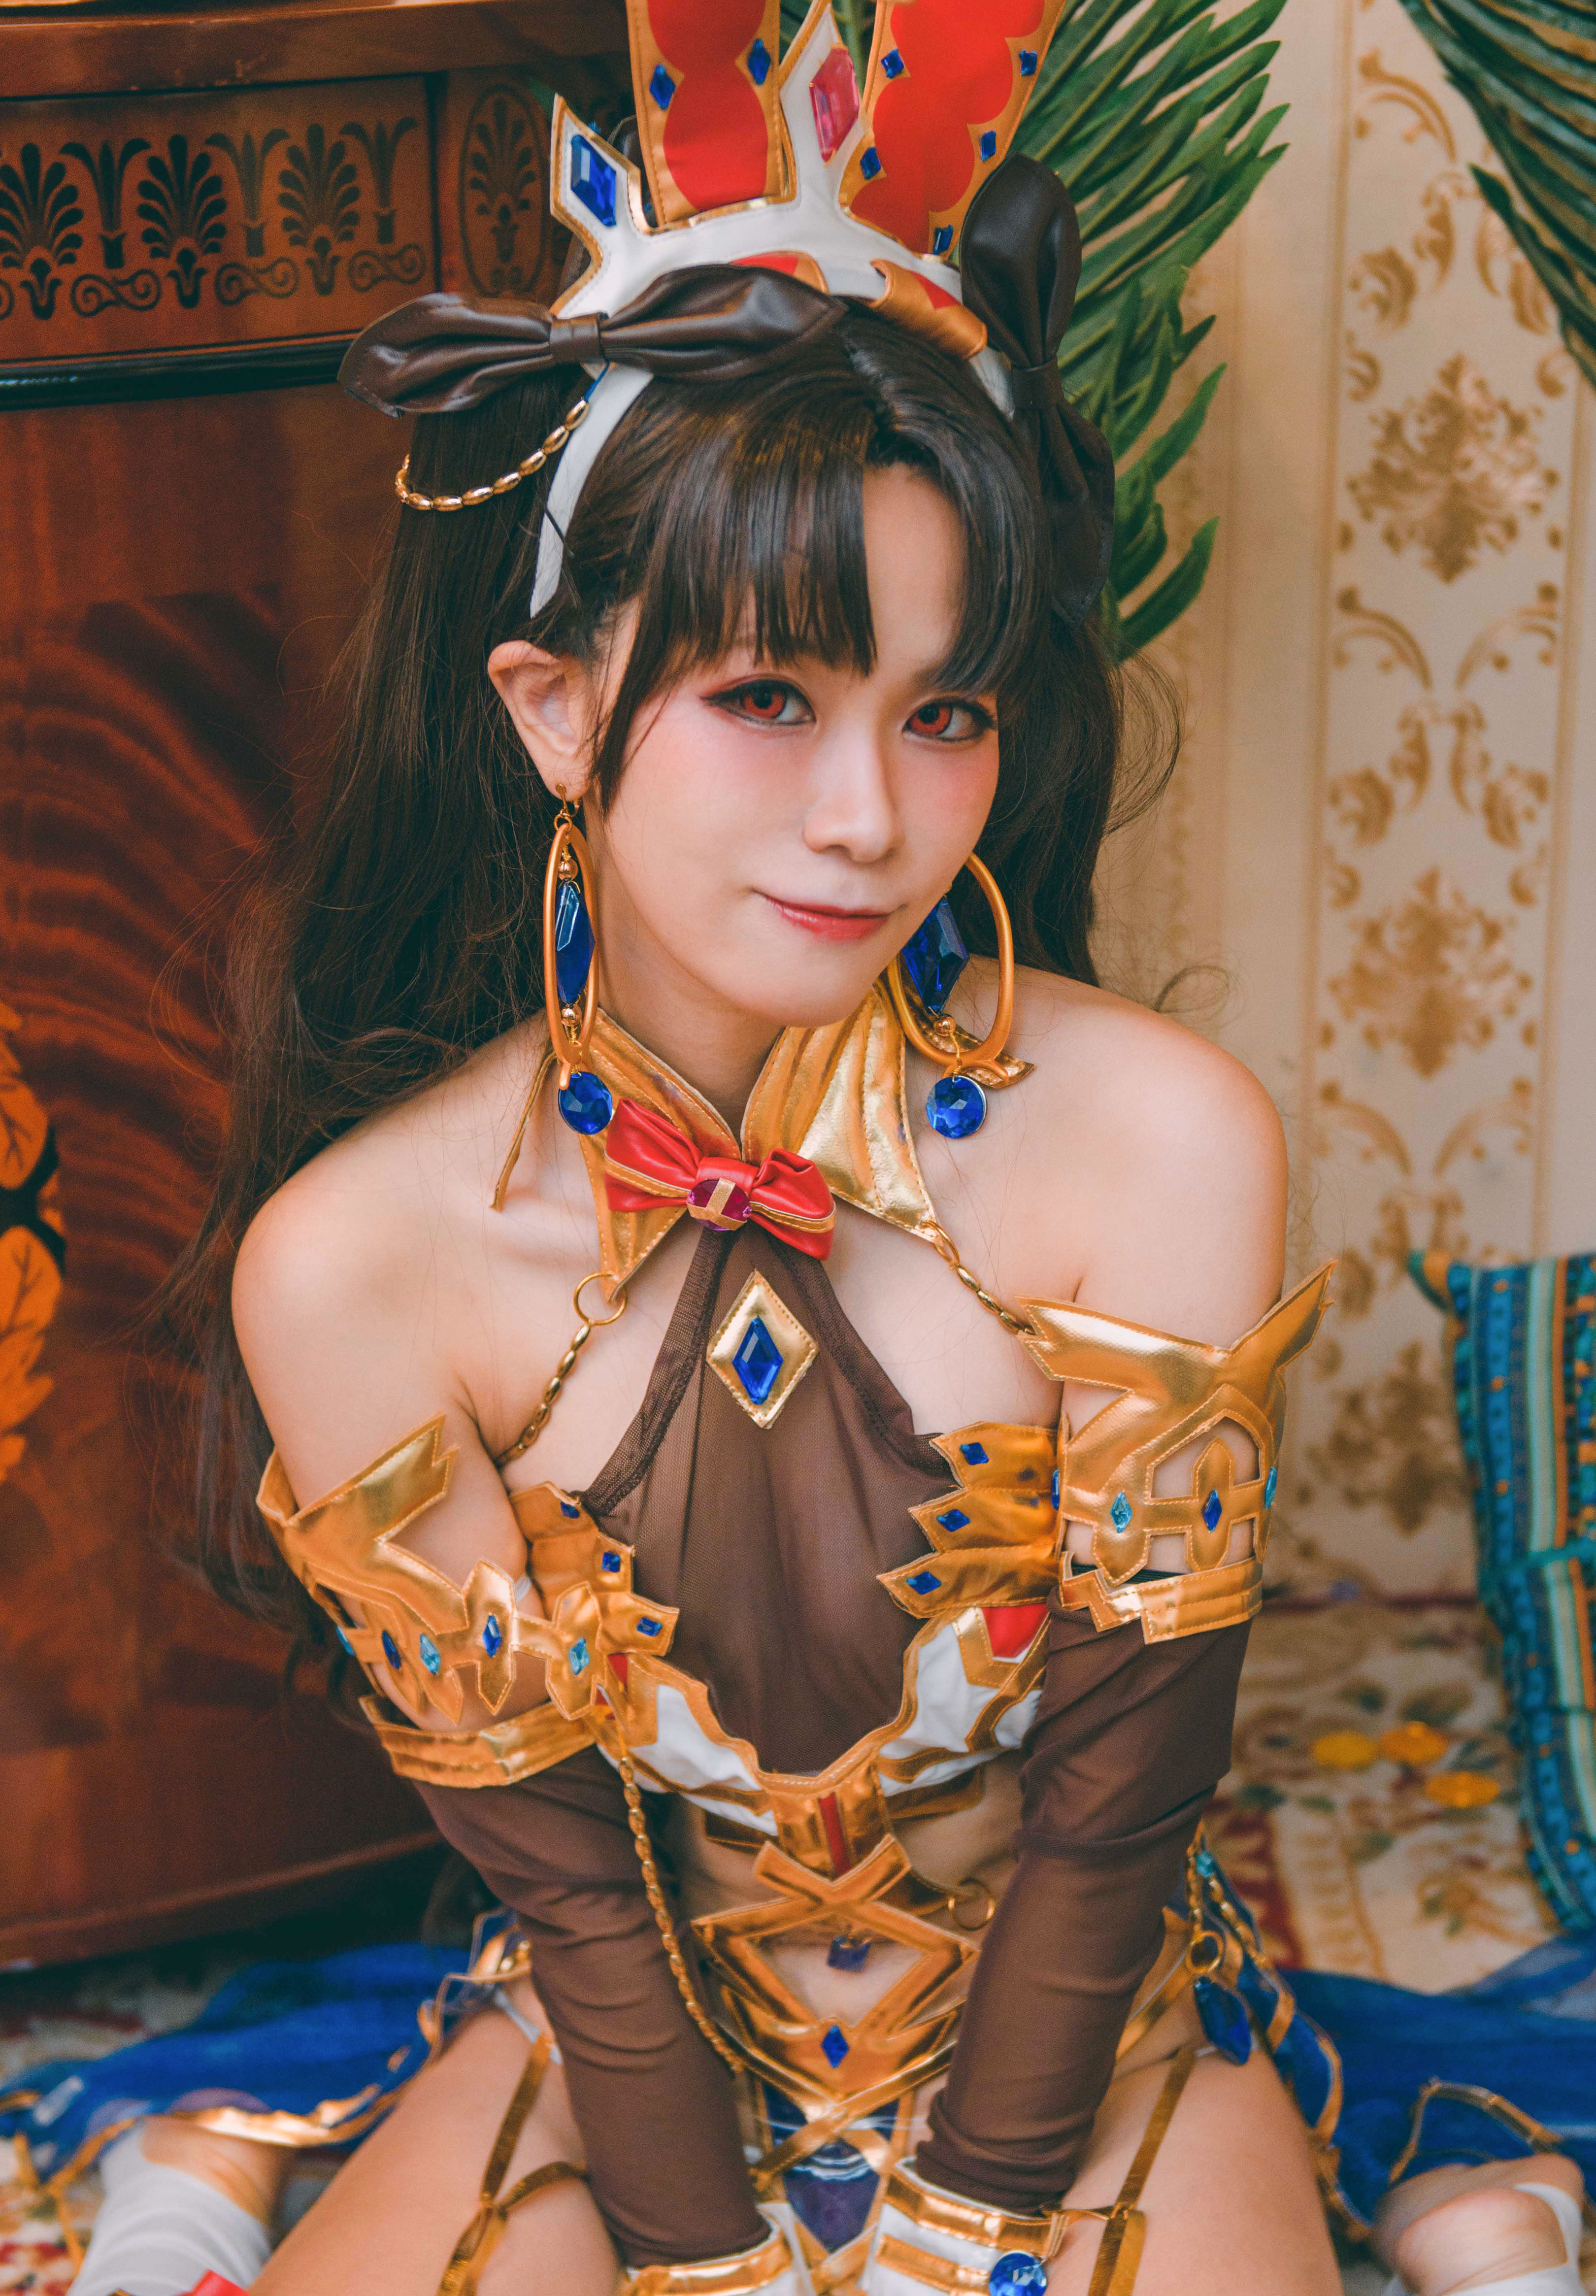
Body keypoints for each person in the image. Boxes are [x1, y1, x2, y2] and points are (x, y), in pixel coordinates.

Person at [63, 9, 1588, 2295]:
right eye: (768, 694)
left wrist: (966, 2215)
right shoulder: (355, 1256)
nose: (870, 814)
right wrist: (710, 2259)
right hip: (615, 2034)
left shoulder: (1158, 1139)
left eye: (942, 708)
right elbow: (575, 1890)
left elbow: (1121, 1798)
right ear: (554, 708)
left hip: (1081, 2018)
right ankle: (217, 2161)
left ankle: (1467, 2194)